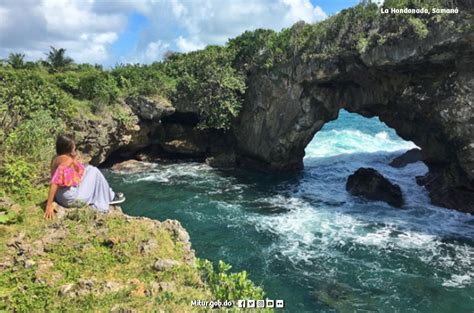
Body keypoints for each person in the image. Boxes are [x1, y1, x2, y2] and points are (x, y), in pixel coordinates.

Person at [44, 134, 125, 219]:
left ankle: (109, 194)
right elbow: (54, 182)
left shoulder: (56, 158)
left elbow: (80, 170)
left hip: (60, 196)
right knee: (95, 171)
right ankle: (110, 197)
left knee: (89, 168)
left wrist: (74, 157)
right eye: (73, 145)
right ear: (68, 148)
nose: (75, 146)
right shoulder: (66, 161)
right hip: (71, 199)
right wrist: (48, 205)